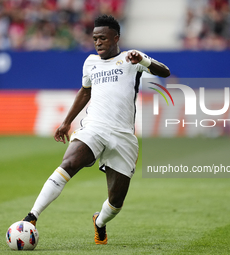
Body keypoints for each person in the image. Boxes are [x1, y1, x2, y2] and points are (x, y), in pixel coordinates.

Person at [22, 14, 170, 245]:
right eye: (95, 39)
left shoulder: (131, 59)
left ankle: (99, 222)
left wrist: (143, 60)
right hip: (94, 127)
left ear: (116, 38)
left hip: (123, 136)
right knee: (68, 164)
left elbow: (165, 72)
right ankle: (31, 217)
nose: (98, 42)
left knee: (116, 201)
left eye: (103, 38)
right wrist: (66, 122)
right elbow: (85, 91)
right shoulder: (90, 63)